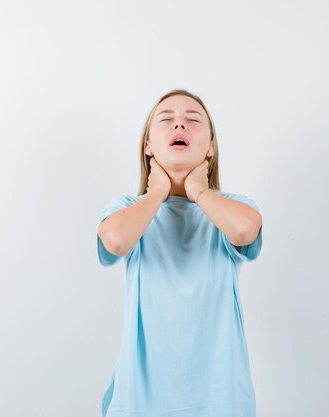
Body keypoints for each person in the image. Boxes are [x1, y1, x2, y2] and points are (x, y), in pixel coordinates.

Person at [96, 89, 263, 417]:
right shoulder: (128, 209)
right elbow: (115, 240)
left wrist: (198, 189)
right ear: (148, 146)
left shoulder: (233, 208)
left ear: (210, 148)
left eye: (192, 120)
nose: (179, 126)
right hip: (140, 402)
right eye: (167, 119)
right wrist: (157, 190)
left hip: (219, 400)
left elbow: (245, 229)